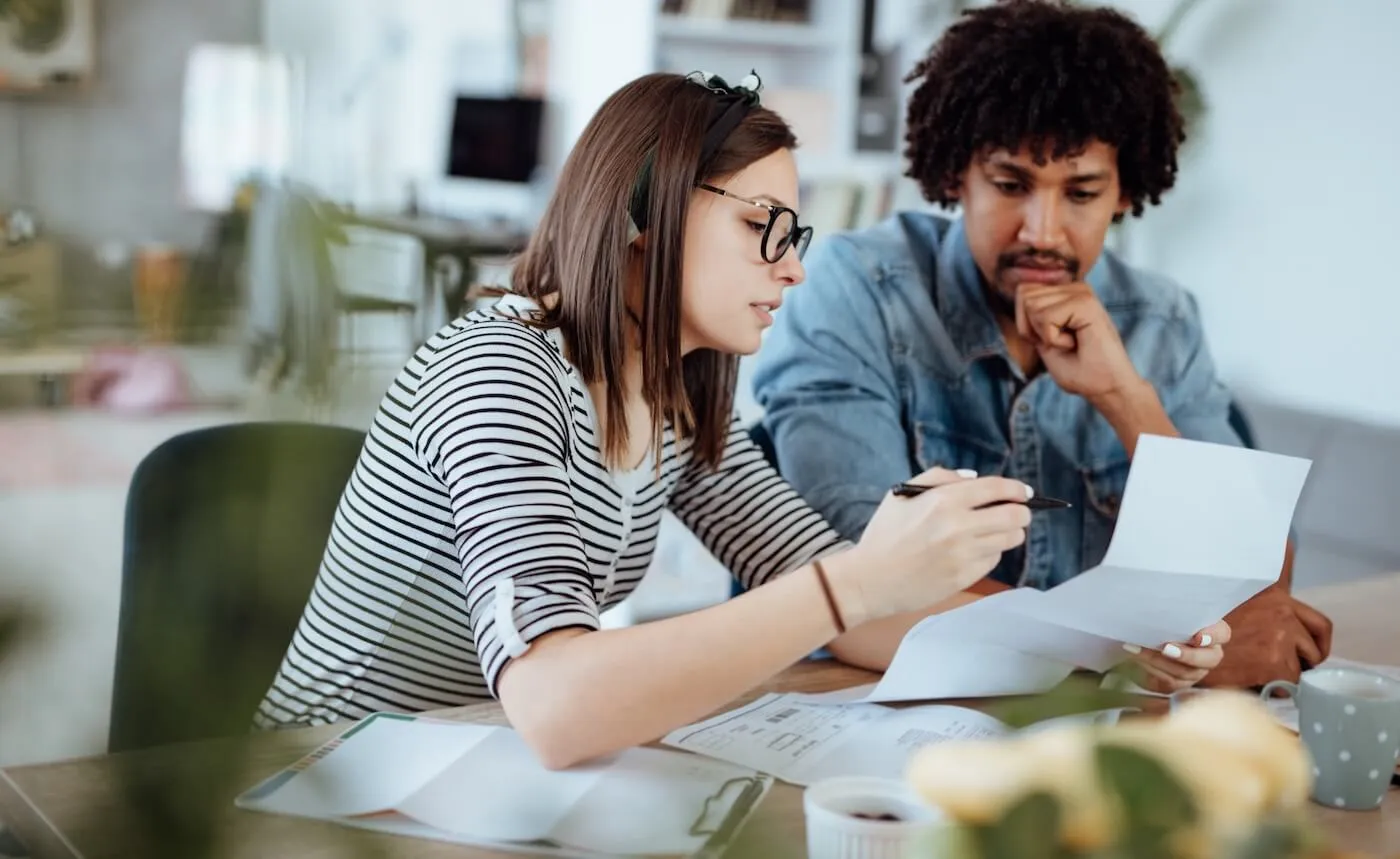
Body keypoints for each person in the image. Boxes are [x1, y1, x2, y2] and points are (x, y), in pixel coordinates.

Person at [254, 69, 1079, 769]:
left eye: (793, 233)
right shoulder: (500, 373)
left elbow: (833, 589)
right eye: (762, 227)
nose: (793, 268)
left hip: (469, 763)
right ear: (644, 213)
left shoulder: (672, 396)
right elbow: (553, 701)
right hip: (325, 770)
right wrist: (859, 580)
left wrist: (1089, 652)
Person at [751, 0, 1324, 692]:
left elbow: (1256, 583)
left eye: (1081, 192)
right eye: (1010, 184)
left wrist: (1124, 396)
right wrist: (1123, 650)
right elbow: (856, 576)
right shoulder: (857, 289)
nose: (1042, 232)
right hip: (861, 704)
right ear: (956, 173)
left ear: (1124, 192)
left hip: (1079, 724)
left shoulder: (1161, 320)